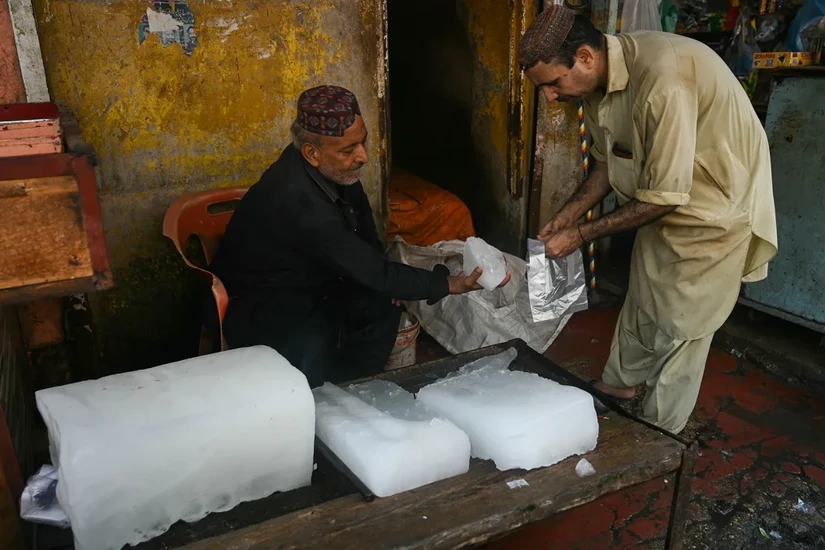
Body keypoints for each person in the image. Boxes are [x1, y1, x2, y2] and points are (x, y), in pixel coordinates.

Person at [518, 7, 777, 433]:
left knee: (683, 326)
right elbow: (607, 164)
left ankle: (659, 430)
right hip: (667, 199)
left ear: (584, 57)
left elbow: (664, 197)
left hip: (715, 208)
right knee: (642, 300)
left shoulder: (663, 82)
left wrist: (580, 235)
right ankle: (619, 386)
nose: (550, 96)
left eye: (552, 83)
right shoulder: (598, 85)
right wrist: (568, 215)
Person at [210, 85, 510, 387]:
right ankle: (326, 406)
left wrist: (382, 280)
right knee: (312, 349)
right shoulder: (302, 204)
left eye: (362, 142)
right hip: (265, 300)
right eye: (348, 149)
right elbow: (371, 270)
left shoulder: (334, 171)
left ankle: (358, 389)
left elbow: (365, 232)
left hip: (315, 280)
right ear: (312, 153)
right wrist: (451, 284)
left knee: (383, 307)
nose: (363, 156)